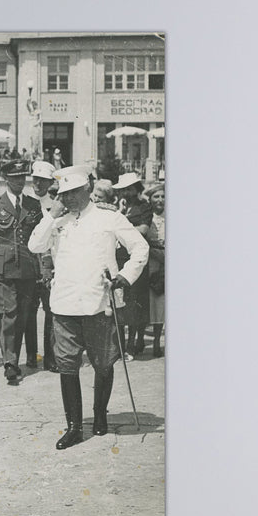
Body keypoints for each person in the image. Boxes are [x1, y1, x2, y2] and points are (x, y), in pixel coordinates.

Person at [28, 164, 149, 449]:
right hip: (65, 304)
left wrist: (124, 277)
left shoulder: (109, 217)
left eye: (72, 192)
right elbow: (35, 246)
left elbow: (140, 247)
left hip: (99, 304)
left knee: (103, 363)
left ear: (87, 189)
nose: (67, 198)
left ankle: (100, 415)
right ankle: (73, 427)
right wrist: (51, 215)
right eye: (63, 193)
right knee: (67, 366)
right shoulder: (56, 221)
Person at [0, 159, 42, 383]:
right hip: (2, 268)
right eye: (15, 178)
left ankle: (13, 357)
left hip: (27, 268)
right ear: (6, 179)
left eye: (22, 177)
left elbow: (40, 237)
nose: (20, 182)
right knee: (8, 314)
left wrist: (42, 267)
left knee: (22, 316)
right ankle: (10, 363)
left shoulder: (33, 205)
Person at [112, 172, 152, 357]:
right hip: (118, 260)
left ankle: (132, 343)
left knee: (135, 303)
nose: (126, 193)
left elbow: (143, 229)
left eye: (129, 189)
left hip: (135, 260)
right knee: (121, 302)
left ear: (137, 189)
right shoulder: (118, 208)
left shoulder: (144, 207)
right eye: (123, 190)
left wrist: (122, 231)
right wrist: (120, 212)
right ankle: (121, 344)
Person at [23, 161, 58, 371]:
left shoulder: (55, 207)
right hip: (28, 265)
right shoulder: (25, 204)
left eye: (43, 181)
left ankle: (51, 358)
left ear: (50, 183)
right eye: (35, 179)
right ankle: (30, 354)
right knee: (29, 312)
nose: (38, 184)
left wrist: (48, 266)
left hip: (49, 266)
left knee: (51, 312)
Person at [146, 184, 166, 358]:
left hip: (165, 263)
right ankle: (138, 339)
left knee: (160, 304)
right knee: (148, 302)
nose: (160, 200)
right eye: (156, 196)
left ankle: (157, 342)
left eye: (162, 196)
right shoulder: (146, 217)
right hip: (149, 262)